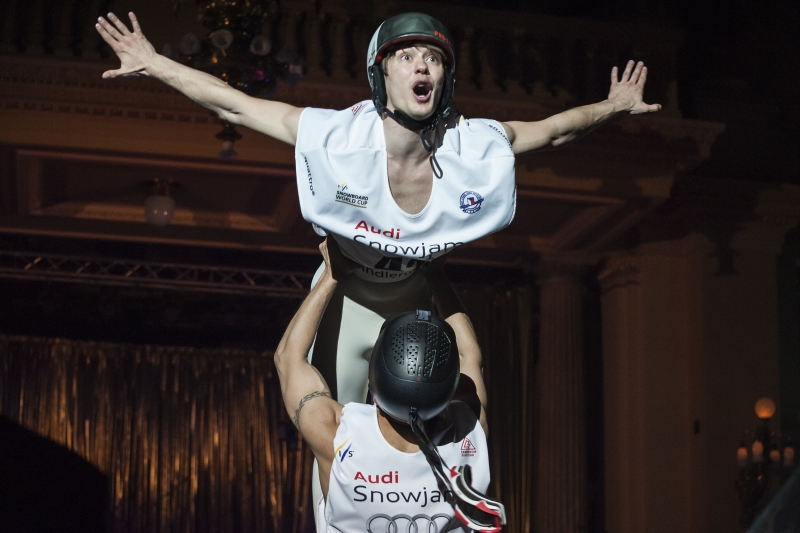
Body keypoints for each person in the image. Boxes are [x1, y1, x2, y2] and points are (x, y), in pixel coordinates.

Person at [94, 11, 660, 405]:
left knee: (440, 428)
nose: (422, 67)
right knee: (336, 439)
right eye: (407, 56)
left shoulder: (472, 144)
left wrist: (612, 106)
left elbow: (556, 131)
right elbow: (237, 107)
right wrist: (156, 63)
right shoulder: (339, 138)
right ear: (382, 73)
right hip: (348, 296)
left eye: (432, 58)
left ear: (445, 78)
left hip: (415, 298)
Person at [273, 237, 504, 532]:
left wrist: (331, 275)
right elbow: (470, 356)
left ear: (374, 381)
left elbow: (288, 358)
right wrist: (434, 274)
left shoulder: (338, 437)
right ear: (448, 389)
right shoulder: (469, 435)